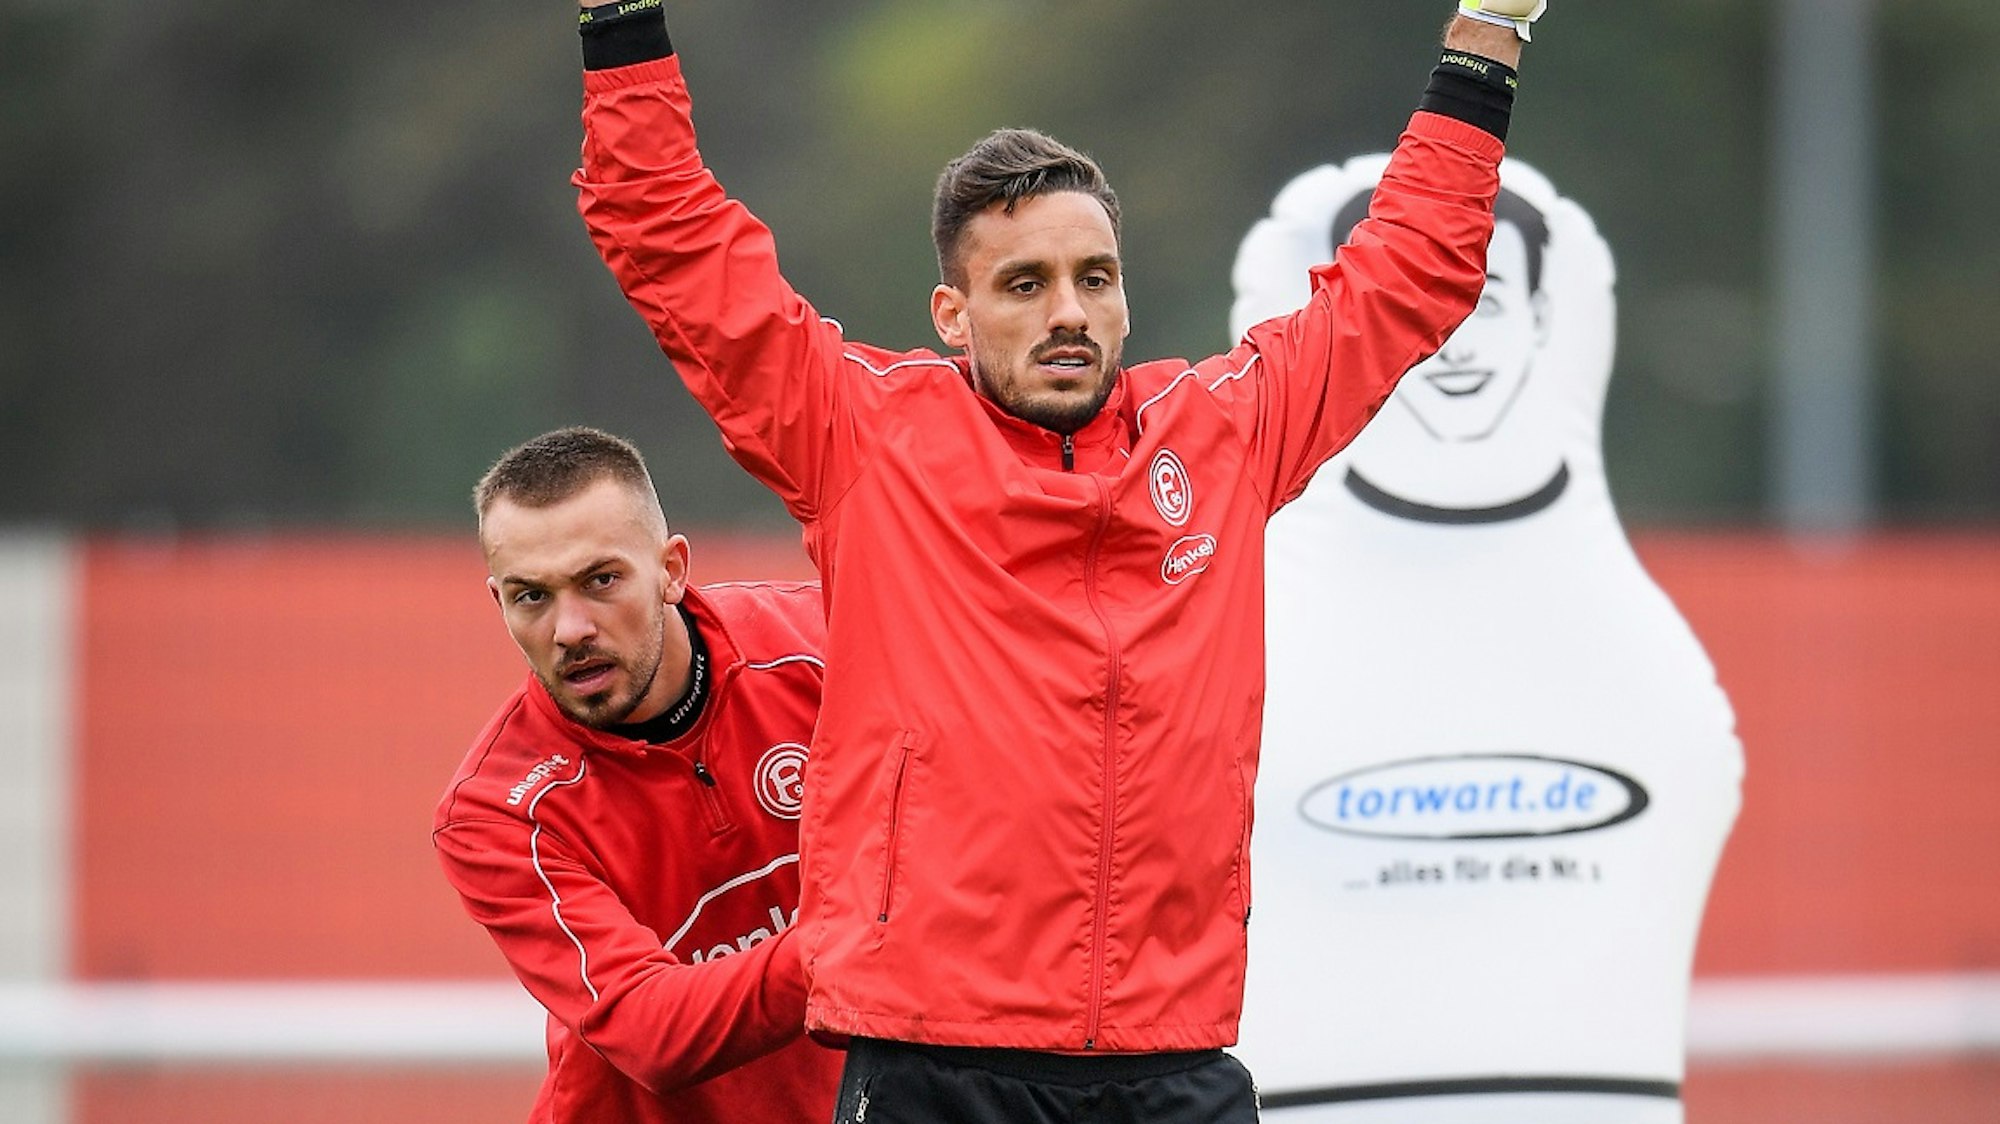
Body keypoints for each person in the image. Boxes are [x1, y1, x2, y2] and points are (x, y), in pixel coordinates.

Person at [568, 1, 1546, 1119]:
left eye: (1094, 276)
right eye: (1023, 284)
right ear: (952, 311)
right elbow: (672, 242)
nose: (1067, 312)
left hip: (1170, 1057)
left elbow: (1407, 274)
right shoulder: (859, 436)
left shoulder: (1224, 432)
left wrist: (1488, 30)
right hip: (936, 1058)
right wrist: (621, 24)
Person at [1230, 158, 1744, 1123]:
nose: (1455, 346)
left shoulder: (1630, 647)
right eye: (1420, 314)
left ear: (1550, 320)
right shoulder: (1242, 623)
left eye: (1484, 301)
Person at [433, 426, 841, 1124]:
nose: (570, 629)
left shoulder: (827, 646)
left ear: (672, 569)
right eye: (531, 597)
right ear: (497, 601)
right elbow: (653, 1032)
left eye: (600, 581)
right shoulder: (497, 811)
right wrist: (871, 935)